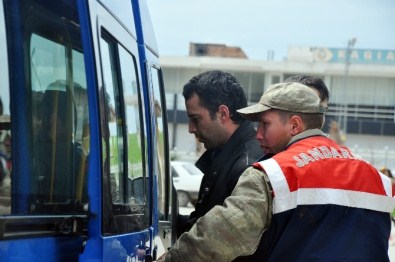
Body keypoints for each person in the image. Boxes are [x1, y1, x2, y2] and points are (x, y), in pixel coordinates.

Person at [158, 82, 395, 262]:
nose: (258, 134)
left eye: (265, 124)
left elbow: (214, 240)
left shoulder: (272, 174)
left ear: (294, 125)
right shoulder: (378, 178)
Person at [177, 70, 263, 236]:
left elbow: (224, 239)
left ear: (223, 114)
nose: (190, 129)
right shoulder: (221, 156)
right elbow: (202, 222)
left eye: (196, 119)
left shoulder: (248, 167)